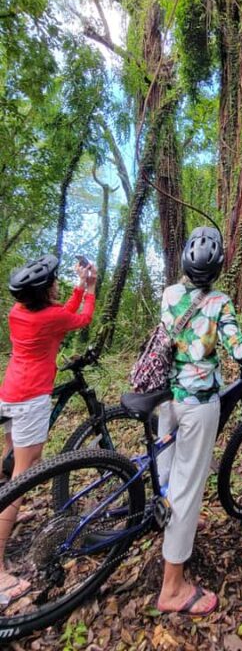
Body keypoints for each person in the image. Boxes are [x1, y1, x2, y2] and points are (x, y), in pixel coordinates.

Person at [156, 227, 242, 617]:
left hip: (165, 399)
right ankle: (172, 589)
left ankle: (164, 525)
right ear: (218, 268)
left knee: (166, 476)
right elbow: (240, 351)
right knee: (187, 490)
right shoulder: (219, 302)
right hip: (199, 405)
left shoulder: (169, 294)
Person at [0, 253, 97, 605]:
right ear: (45, 291)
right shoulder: (51, 318)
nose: (57, 284)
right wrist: (91, 286)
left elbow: (62, 313)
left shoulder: (19, 313)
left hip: (10, 392)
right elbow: (80, 317)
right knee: (22, 477)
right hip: (31, 399)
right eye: (54, 282)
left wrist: (78, 286)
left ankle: (6, 504)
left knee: (12, 459)